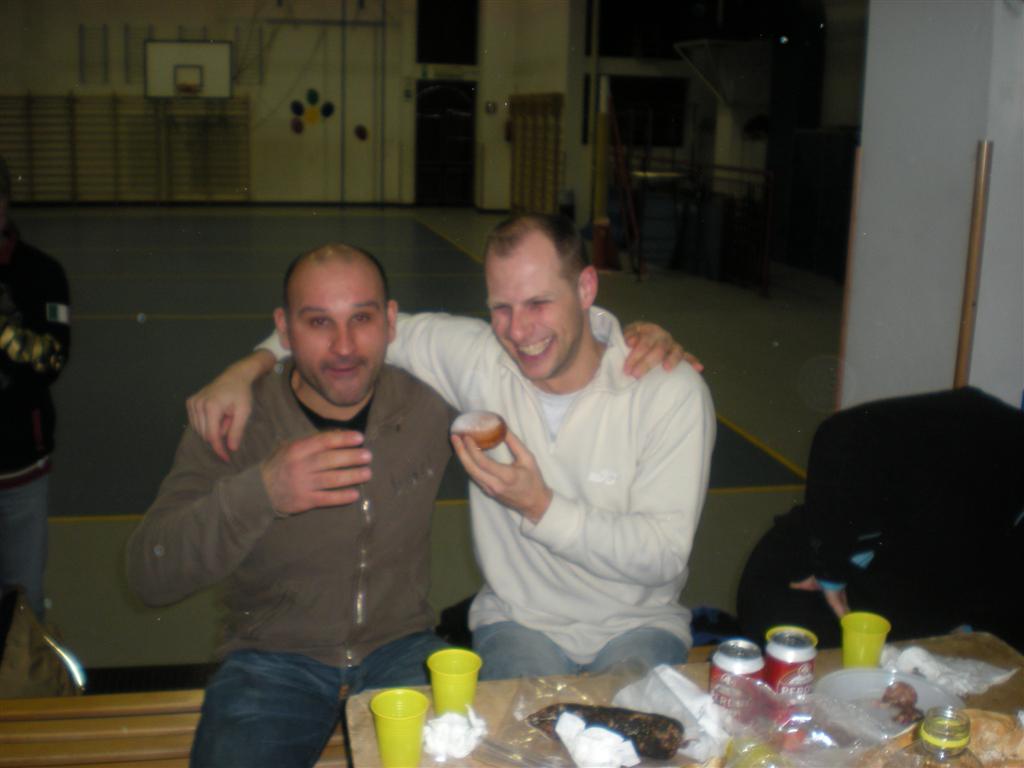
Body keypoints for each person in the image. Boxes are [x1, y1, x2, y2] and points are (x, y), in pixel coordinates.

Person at [188, 214, 716, 680]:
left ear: (585, 287)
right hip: (520, 623)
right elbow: (345, 326)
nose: (519, 332)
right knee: (516, 738)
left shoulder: (669, 391)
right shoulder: (479, 359)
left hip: (638, 625)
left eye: (538, 303)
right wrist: (249, 367)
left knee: (634, 734)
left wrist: (541, 506)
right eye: (501, 308)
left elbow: (663, 558)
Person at [126, 246, 457, 768]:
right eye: (318, 321)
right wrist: (262, 493)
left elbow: (534, 371)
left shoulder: (430, 402)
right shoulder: (238, 420)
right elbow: (150, 573)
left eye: (362, 318)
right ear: (283, 329)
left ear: (391, 321)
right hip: (270, 662)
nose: (344, 346)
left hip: (401, 649)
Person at [737, 386, 1024, 651]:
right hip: (814, 585)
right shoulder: (987, 426)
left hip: (910, 606)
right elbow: (837, 436)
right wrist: (830, 571)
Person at [0, 155, 71, 619]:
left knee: (23, 603)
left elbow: (52, 360)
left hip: (20, 466)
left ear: (5, 203)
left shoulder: (41, 272)